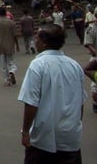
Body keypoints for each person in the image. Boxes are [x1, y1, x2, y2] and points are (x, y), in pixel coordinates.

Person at [18, 24, 85, 163]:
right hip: (70, 136)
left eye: (37, 38)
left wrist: (25, 131)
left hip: (44, 138)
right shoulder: (74, 65)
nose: (35, 41)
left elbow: (31, 103)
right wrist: (76, 124)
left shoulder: (38, 65)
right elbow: (80, 102)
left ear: (44, 42)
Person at [0, 5, 20, 86]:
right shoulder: (11, 22)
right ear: (5, 12)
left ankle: (7, 80)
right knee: (11, 61)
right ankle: (12, 72)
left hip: (0, 46)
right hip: (10, 45)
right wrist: (17, 45)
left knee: (3, 64)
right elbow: (15, 35)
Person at [84, 14, 97, 113]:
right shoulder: (90, 29)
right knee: (95, 86)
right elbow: (89, 44)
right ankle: (95, 103)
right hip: (96, 59)